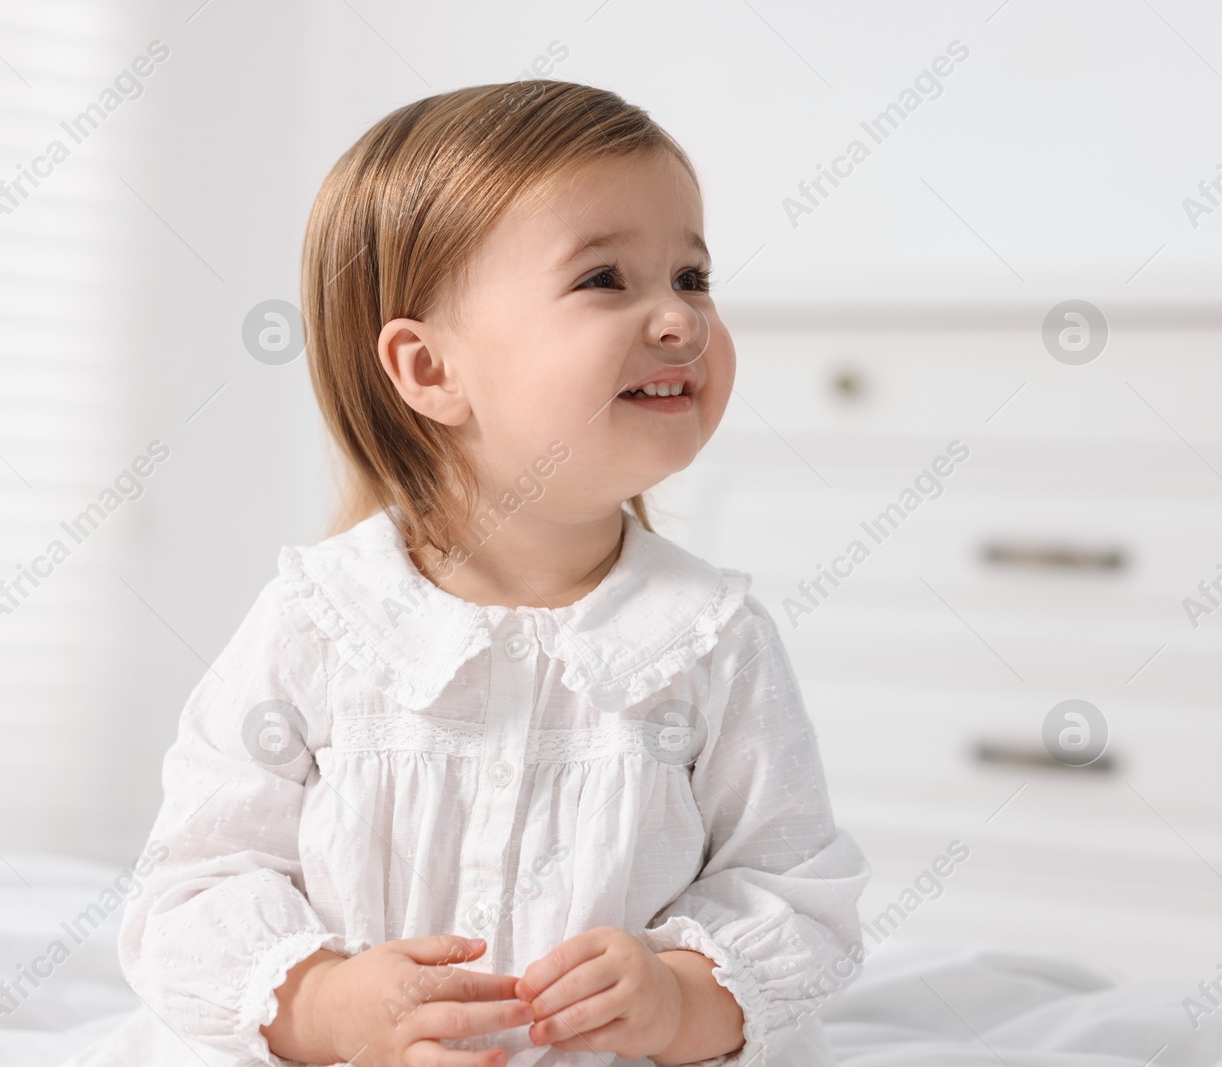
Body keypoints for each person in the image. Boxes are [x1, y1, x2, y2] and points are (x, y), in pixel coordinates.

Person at [117, 79, 871, 1067]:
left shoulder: (711, 638)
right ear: (430, 371)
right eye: (606, 279)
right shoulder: (318, 621)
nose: (679, 320)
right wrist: (332, 1005)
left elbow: (797, 894)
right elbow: (191, 889)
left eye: (690, 276)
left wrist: (682, 997)